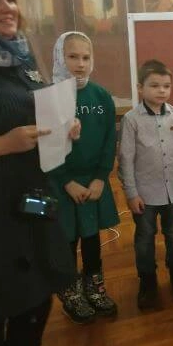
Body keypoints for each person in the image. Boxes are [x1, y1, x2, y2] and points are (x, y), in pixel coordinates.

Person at [0, 0, 76, 346]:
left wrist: (63, 126)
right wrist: (2, 145)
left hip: (32, 202)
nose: (7, 8)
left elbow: (36, 112)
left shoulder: (21, 58)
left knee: (38, 298)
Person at [48, 32, 120, 323]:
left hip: (93, 182)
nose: (80, 64)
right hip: (63, 184)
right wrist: (66, 181)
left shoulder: (101, 96)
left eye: (86, 57)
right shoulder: (50, 98)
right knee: (67, 238)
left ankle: (94, 287)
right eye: (73, 56)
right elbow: (47, 147)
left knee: (91, 236)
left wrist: (101, 177)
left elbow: (109, 138)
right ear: (60, 58)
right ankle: (71, 292)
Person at [118, 59, 173, 308]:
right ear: (140, 88)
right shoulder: (131, 119)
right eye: (154, 85)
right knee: (144, 238)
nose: (161, 90)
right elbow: (126, 159)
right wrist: (131, 193)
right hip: (144, 194)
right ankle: (148, 282)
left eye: (166, 86)